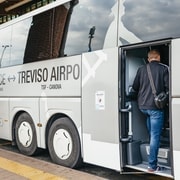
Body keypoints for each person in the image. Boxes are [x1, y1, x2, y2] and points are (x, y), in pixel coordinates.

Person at [132, 49, 169, 172]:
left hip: (142, 107)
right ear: (158, 57)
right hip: (155, 108)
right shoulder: (164, 69)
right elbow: (169, 87)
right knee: (155, 136)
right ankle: (152, 165)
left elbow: (135, 87)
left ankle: (152, 152)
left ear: (149, 58)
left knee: (152, 133)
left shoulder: (141, 69)